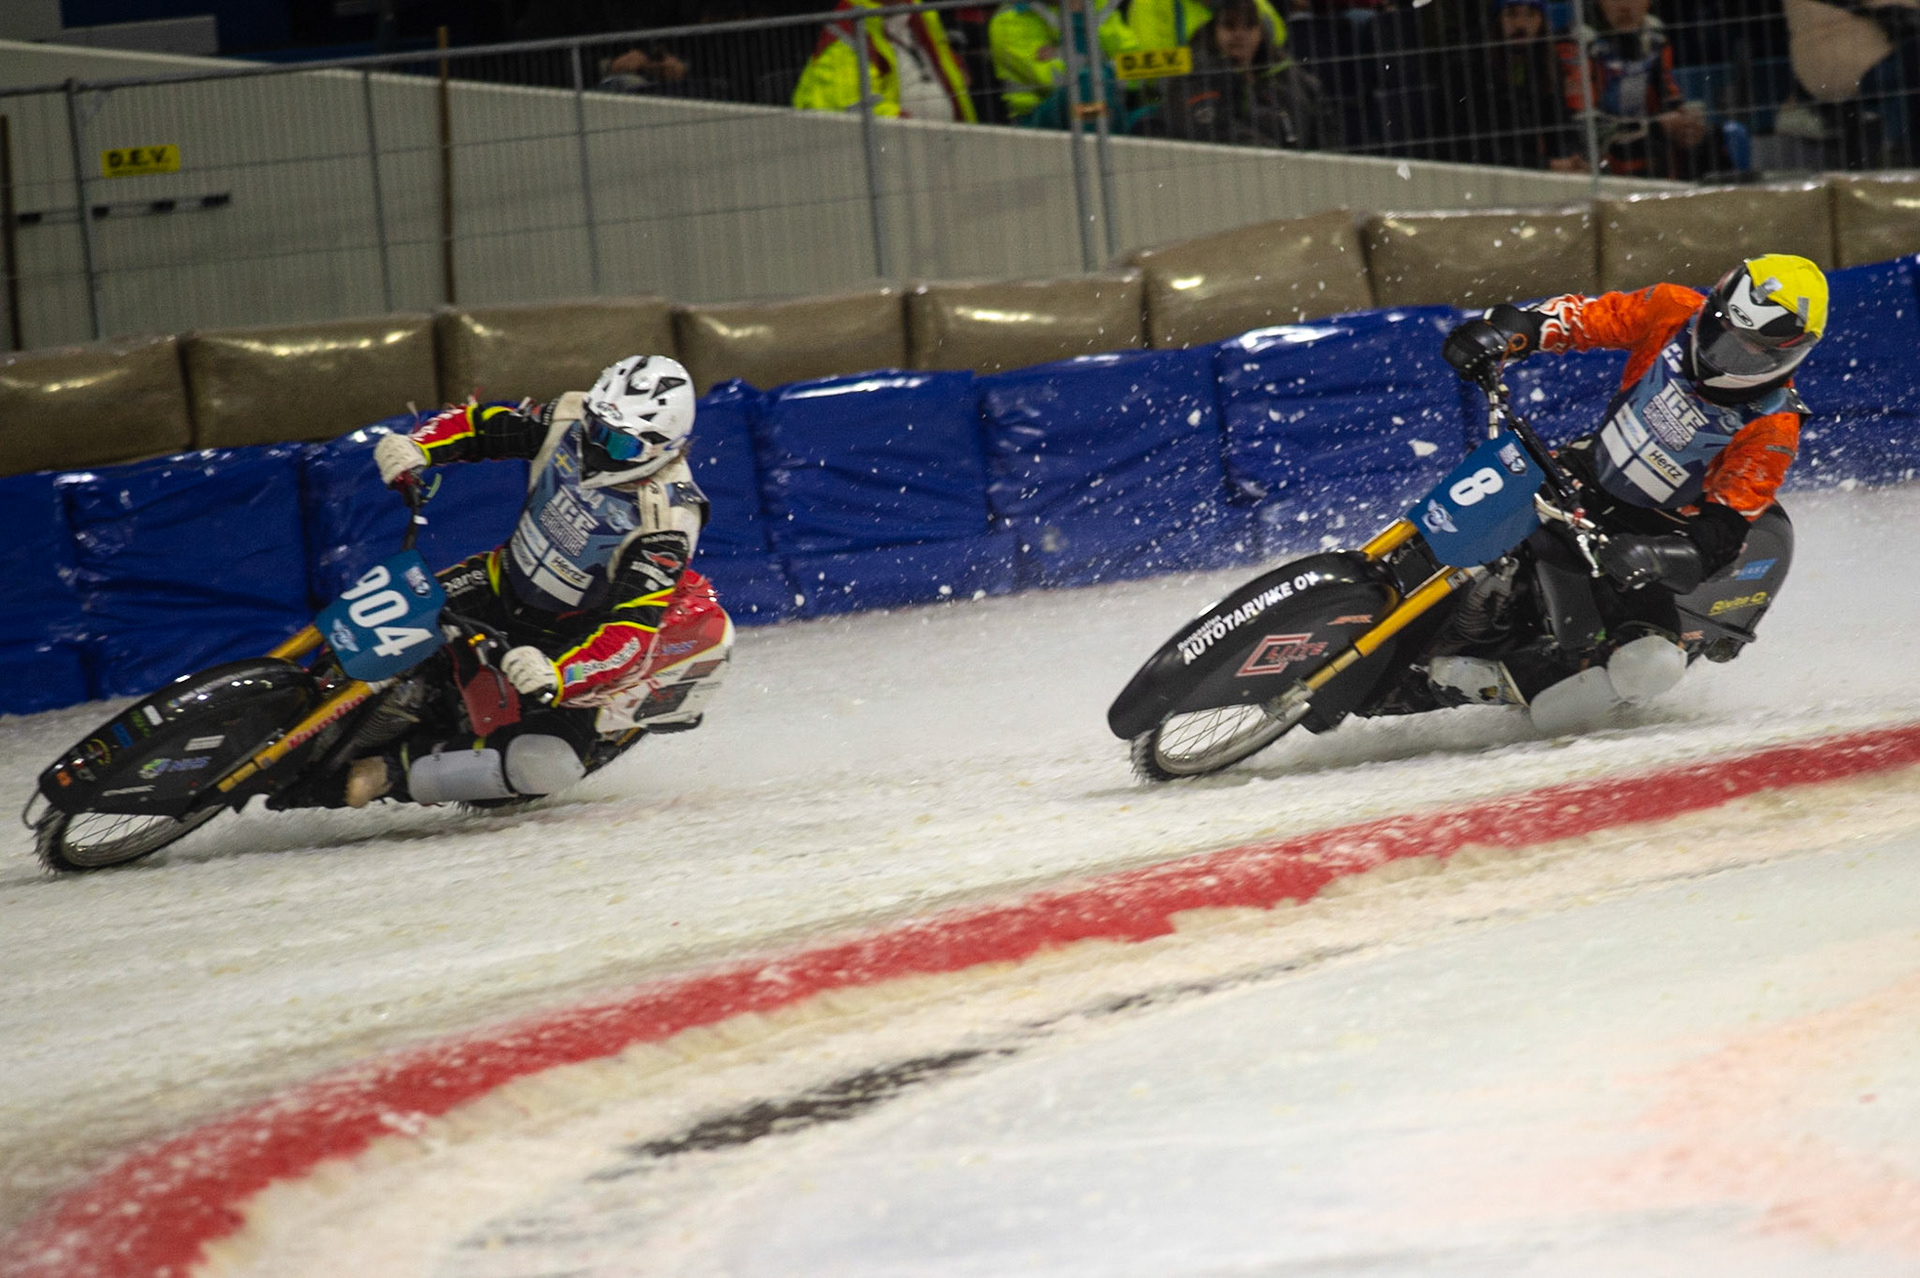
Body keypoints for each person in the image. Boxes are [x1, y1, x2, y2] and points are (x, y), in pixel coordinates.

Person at [1430, 255, 1829, 732]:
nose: (1724, 353)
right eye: (1722, 331)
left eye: (1749, 350)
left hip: (1644, 534)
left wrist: (1659, 556)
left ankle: (1511, 691)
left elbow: (1725, 530)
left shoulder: (1772, 425)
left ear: (1788, 355)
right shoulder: (1672, 309)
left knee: (1653, 663)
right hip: (1583, 472)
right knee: (1476, 495)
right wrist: (1512, 332)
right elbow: (1582, 319)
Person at [317, 356, 712, 809]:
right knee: (367, 628)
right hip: (500, 580)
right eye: (596, 426)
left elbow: (632, 632)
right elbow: (484, 425)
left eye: (618, 442)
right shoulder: (569, 417)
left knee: (547, 765)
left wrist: (560, 675)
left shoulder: (668, 522)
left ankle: (393, 773)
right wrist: (419, 446)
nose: (595, 446)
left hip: (567, 641)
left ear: (661, 447)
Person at [1556, 0, 1715, 177]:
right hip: (1596, 148)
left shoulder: (1654, 34)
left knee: (1711, 138)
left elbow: (1668, 92)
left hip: (1645, 133)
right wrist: (1655, 126)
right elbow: (1581, 123)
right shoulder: (1576, 40)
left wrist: (1683, 117)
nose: (1625, 6)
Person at [1160, 0, 1329, 147]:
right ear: (1213, 32)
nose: (1239, 35)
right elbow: (1214, 131)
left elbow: (1329, 132)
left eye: (1249, 25)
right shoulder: (1193, 77)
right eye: (1229, 25)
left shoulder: (1291, 76)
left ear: (1262, 33)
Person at [1446, 0, 1582, 170]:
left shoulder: (1546, 64)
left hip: (1525, 168)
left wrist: (1573, 158)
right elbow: (1474, 147)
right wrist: (1548, 165)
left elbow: (1559, 126)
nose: (1520, 24)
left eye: (1530, 14)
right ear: (1496, 20)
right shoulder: (1468, 66)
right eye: (1511, 14)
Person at [791, 0, 978, 121]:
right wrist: (914, 128)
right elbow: (850, 107)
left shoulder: (920, 16)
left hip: (951, 146)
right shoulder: (849, 30)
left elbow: (953, 74)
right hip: (894, 155)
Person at [990, 0, 1143, 127]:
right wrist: (1076, 17)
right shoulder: (1010, 18)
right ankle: (1097, 149)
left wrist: (1060, 54)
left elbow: (1138, 67)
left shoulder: (1096, 5)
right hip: (1037, 119)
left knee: (1152, 113)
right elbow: (1060, 81)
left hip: (1108, 107)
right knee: (1087, 90)